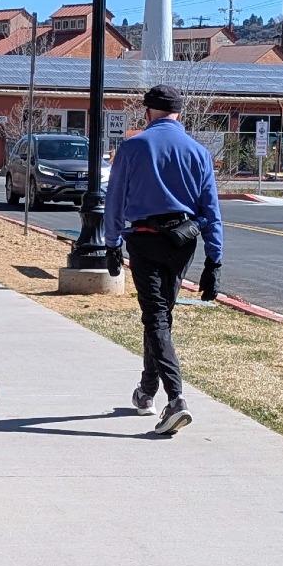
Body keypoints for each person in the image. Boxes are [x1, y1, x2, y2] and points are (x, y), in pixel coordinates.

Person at [104, 84, 223, 435]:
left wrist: (111, 244)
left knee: (155, 316)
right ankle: (146, 392)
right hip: (182, 242)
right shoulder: (198, 152)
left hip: (144, 239)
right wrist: (214, 260)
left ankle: (176, 400)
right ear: (179, 113)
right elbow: (211, 209)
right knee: (159, 317)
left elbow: (114, 199)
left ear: (147, 113)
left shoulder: (132, 147)